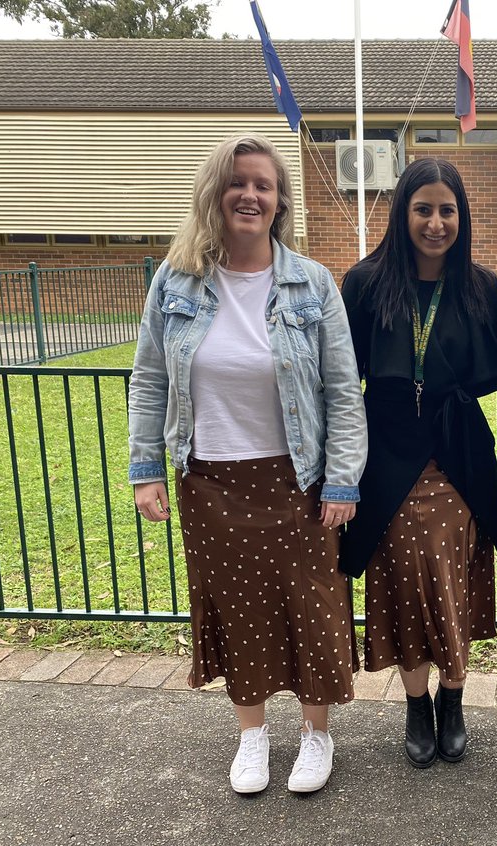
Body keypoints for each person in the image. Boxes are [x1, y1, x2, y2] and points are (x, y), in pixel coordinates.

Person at [127, 133, 367, 796]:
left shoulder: (312, 283)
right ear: (215, 193)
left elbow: (342, 389)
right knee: (236, 610)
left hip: (297, 479)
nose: (251, 195)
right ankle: (252, 736)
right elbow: (149, 380)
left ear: (280, 200)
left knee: (312, 607)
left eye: (263, 184)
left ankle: (317, 735)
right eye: (238, 183)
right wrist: (147, 468)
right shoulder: (175, 283)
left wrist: (343, 478)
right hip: (209, 480)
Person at [339, 158, 497, 767]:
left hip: (458, 448)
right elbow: (339, 379)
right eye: (423, 209)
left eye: (447, 210)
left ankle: (455, 695)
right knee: (401, 577)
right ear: (402, 213)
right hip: (387, 449)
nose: (436, 223)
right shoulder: (363, 284)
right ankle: (416, 702)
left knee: (454, 574)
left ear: (462, 216)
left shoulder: (482, 286)